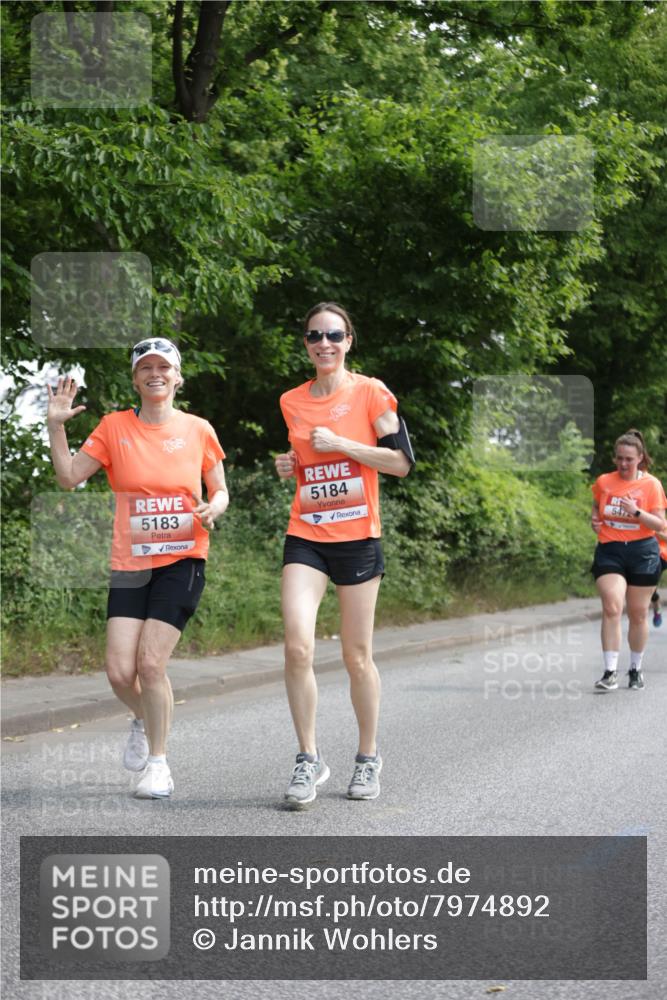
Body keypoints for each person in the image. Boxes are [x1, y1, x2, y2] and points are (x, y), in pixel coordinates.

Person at [46, 338, 228, 798]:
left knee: (150, 664)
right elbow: (68, 478)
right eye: (145, 367)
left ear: (177, 376)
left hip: (184, 557)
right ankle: (146, 719)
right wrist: (55, 427)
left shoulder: (198, 429)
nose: (155, 373)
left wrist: (215, 508)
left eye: (163, 367)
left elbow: (220, 489)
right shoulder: (113, 427)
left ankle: (159, 764)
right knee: (117, 671)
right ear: (135, 378)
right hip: (131, 563)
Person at [274, 302, 413, 808]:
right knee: (297, 646)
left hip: (358, 537)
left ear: (348, 340)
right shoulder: (291, 400)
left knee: (356, 656)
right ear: (306, 343)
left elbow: (400, 463)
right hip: (306, 532)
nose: (324, 343)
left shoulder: (372, 393)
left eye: (334, 334)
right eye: (315, 336)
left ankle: (367, 757)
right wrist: (289, 463)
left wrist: (344, 444)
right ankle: (308, 759)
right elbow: (304, 456)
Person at [590, 429, 666, 692]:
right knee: (612, 606)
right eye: (620, 458)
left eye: (629, 459)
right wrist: (595, 519)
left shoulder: (651, 485)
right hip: (610, 549)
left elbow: (659, 524)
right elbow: (596, 505)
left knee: (638, 613)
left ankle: (635, 668)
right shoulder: (604, 482)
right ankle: (610, 672)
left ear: (640, 458)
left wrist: (636, 511)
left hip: (643, 552)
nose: (623, 464)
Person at [650, 529, 667, 627]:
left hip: (661, 557)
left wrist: (654, 531)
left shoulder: (663, 523)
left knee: (649, 587)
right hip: (641, 555)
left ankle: (657, 608)